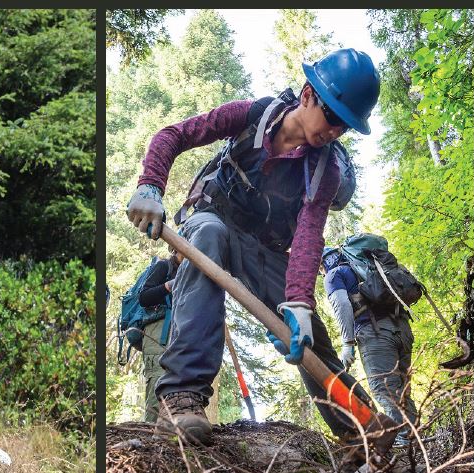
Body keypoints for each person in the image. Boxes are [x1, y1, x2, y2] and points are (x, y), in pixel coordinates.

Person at [126, 48, 380, 445]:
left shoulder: (325, 167)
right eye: (332, 116)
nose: (334, 131)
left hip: (265, 249)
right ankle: (181, 397)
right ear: (308, 95)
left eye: (345, 126)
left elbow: (309, 234)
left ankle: (364, 432)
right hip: (213, 219)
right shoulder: (249, 115)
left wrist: (298, 304)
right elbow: (173, 135)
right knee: (208, 235)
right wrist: (150, 187)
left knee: (309, 335)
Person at [320, 247, 418, 447]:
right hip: (403, 329)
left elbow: (342, 305)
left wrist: (347, 343)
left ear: (324, 262)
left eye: (320, 268)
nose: (320, 272)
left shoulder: (334, 275)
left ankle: (404, 442)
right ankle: (416, 439)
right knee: (402, 388)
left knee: (385, 389)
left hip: (376, 334)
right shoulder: (366, 269)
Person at [137, 247, 181, 423]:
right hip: (157, 332)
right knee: (157, 380)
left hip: (176, 334)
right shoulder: (164, 267)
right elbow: (144, 298)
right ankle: (150, 431)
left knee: (176, 385)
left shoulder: (189, 273)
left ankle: (170, 431)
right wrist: (167, 286)